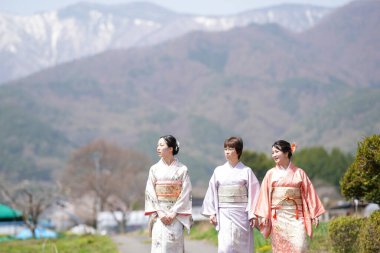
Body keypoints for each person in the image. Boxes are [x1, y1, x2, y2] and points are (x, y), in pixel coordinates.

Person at [254, 140, 325, 253]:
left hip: (296, 216)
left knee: (299, 246)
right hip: (277, 217)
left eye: (277, 152)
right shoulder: (270, 174)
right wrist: (264, 215)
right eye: (272, 153)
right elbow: (264, 195)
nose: (274, 155)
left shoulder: (299, 173)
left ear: (286, 153)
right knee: (280, 249)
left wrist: (314, 213)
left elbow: (309, 193)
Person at [202, 136, 260, 253]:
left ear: (238, 151)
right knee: (226, 246)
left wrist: (252, 214)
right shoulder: (218, 171)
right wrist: (212, 213)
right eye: (225, 149)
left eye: (230, 148)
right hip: (224, 213)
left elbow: (255, 194)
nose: (227, 151)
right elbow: (212, 192)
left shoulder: (246, 171)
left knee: (242, 246)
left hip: (242, 214)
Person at [145, 135, 192, 253]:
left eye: (161, 145)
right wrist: (160, 213)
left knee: (173, 247)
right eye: (157, 145)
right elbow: (150, 191)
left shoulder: (182, 169)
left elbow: (186, 192)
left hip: (175, 216)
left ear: (171, 148)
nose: (158, 148)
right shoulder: (154, 169)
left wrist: (173, 213)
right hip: (159, 215)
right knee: (159, 247)